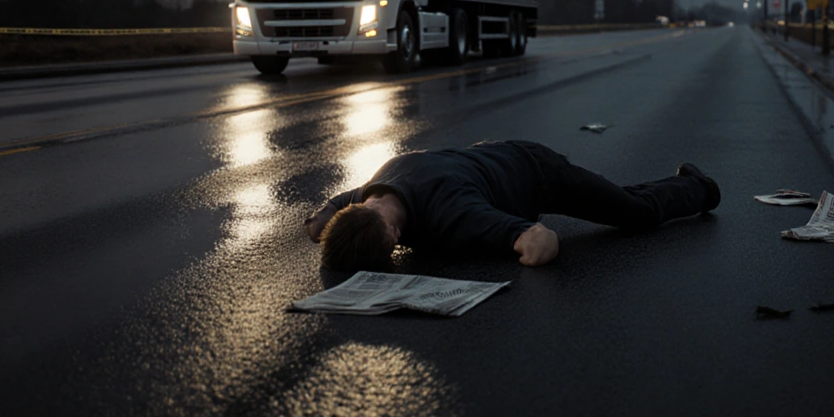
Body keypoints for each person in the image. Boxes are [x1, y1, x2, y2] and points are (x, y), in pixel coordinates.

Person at [305, 139, 721, 270]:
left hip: (538, 171)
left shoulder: (454, 212)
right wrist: (323, 225)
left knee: (637, 214)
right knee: (616, 197)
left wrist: (524, 253)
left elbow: (540, 238)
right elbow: (320, 220)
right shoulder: (370, 190)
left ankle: (700, 187)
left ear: (395, 236)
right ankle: (651, 188)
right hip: (491, 157)